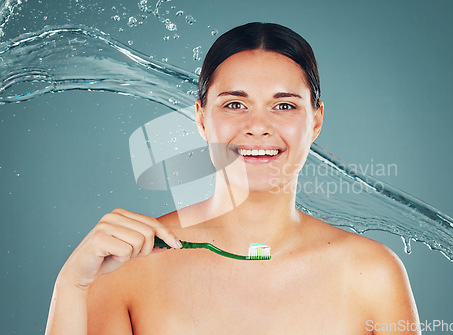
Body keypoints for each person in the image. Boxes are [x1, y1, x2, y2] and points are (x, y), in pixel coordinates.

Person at [45, 22, 420, 334]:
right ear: (201, 116)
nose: (258, 127)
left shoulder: (372, 274)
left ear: (316, 119)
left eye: (284, 105)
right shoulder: (127, 267)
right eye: (235, 104)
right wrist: (72, 285)